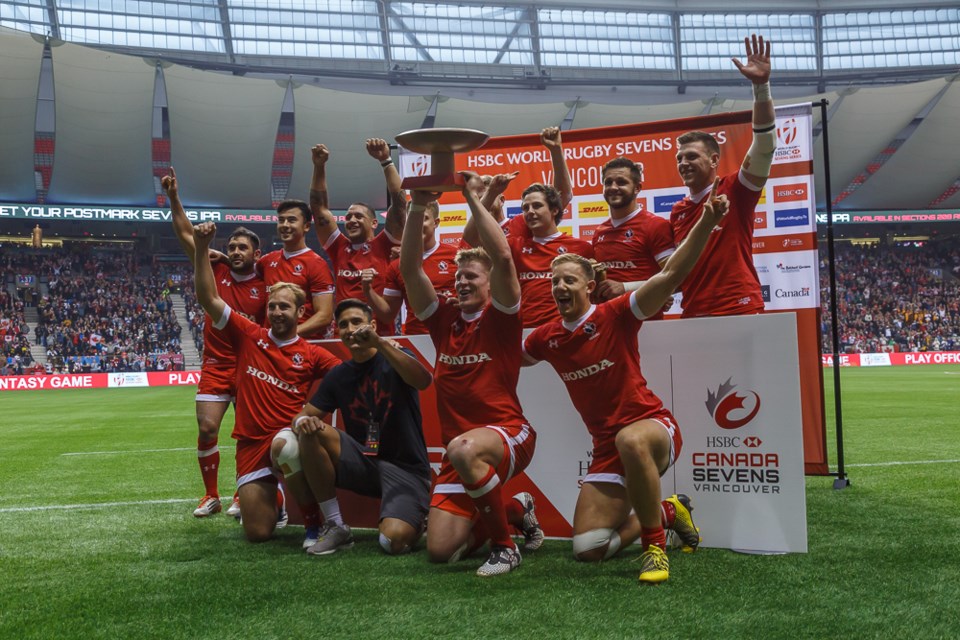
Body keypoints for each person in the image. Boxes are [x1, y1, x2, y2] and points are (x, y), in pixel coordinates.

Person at [522, 179, 730, 584]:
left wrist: (705, 223)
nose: (559, 287)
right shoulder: (545, 337)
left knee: (629, 439)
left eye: (568, 280)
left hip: (652, 431)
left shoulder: (615, 314)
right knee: (589, 549)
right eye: (554, 282)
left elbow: (671, 276)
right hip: (606, 450)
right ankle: (670, 511)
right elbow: (503, 362)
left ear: (588, 285)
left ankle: (655, 549)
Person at [400, 172, 543, 577]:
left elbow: (502, 258)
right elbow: (410, 269)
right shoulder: (443, 319)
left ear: (489, 284)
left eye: (471, 277)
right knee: (440, 551)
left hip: (509, 433)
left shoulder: (501, 318)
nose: (462, 282)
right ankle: (517, 510)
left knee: (462, 449)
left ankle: (505, 548)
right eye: (459, 277)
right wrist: (415, 205)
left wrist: (471, 198)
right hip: (459, 451)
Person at [192, 222, 341, 544]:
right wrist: (202, 249)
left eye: (284, 306)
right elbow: (208, 297)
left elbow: (345, 376)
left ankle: (315, 524)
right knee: (257, 533)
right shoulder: (249, 336)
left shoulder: (311, 353)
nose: (276, 312)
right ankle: (276, 499)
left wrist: (313, 411)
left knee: (285, 446)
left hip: (285, 439)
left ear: (300, 312)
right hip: (250, 445)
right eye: (272, 306)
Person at [290, 298, 433, 556]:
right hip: (365, 463)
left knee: (394, 543)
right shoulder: (338, 374)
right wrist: (303, 421)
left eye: (357, 321)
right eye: (343, 324)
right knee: (310, 430)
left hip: (407, 470)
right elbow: (301, 416)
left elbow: (423, 381)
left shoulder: (395, 355)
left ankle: (419, 519)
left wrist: (380, 343)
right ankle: (336, 525)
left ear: (373, 325)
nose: (350, 328)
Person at [163, 167, 266, 518]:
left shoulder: (268, 279)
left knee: (248, 432)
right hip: (216, 364)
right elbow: (184, 234)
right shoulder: (215, 269)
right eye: (232, 246)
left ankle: (242, 493)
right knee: (207, 427)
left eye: (243, 247)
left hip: (252, 366)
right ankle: (211, 495)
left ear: (257, 252)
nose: (235, 251)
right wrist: (174, 198)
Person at [670, 34, 777, 317]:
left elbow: (765, 148)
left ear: (714, 159)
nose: (684, 163)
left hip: (739, 308)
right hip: (694, 313)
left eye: (691, 156)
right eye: (680, 158)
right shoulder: (678, 211)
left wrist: (761, 87)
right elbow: (677, 273)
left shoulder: (736, 188)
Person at [462, 129, 590, 327]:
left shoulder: (521, 224)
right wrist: (490, 193)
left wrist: (556, 151)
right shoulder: (512, 245)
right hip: (522, 330)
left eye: (536, 206)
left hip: (564, 329)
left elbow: (561, 195)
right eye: (526, 208)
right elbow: (471, 236)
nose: (530, 212)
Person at [309, 140, 406, 336]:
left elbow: (400, 203)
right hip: (344, 336)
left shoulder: (385, 244)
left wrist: (386, 160)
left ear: (373, 223)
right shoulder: (338, 247)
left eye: (359, 216)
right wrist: (319, 166)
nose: (351, 220)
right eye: (348, 217)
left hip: (380, 335)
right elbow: (318, 208)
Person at [591, 157, 676, 320]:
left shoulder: (656, 225)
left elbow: (673, 278)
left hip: (645, 323)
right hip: (608, 323)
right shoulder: (599, 232)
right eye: (608, 182)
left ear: (637, 188)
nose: (613, 187)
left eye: (621, 182)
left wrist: (625, 288)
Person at [370, 200, 459, 335]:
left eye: (424, 219)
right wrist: (367, 289)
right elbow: (388, 315)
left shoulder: (457, 256)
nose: (417, 224)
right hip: (416, 338)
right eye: (412, 220)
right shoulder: (397, 265)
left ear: (436, 223)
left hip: (453, 334)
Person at [257, 200, 335, 337]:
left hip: (303, 346)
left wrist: (288, 335)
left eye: (292, 220)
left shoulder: (316, 264)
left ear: (306, 226)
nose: (285, 225)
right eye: (281, 220)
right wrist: (221, 257)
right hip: (270, 346)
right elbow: (242, 273)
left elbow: (325, 316)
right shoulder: (267, 261)